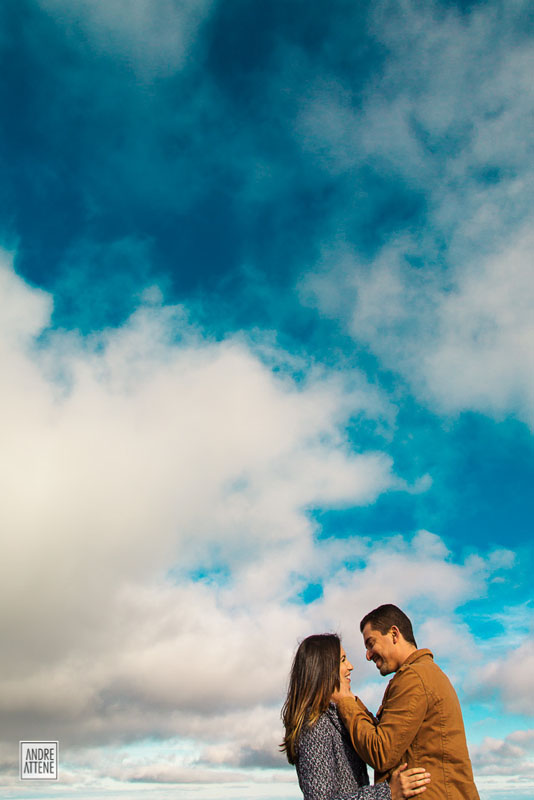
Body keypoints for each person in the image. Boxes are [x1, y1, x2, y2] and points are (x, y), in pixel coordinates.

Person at [333, 604, 479, 800]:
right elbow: (388, 738)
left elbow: (381, 752)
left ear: (394, 634)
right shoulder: (422, 674)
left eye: (371, 643)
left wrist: (345, 702)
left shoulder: (414, 678)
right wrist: (352, 701)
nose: (367, 655)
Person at [281, 633, 431, 800]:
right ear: (324, 668)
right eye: (343, 659)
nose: (350, 666)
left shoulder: (333, 717)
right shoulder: (315, 725)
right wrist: (388, 793)